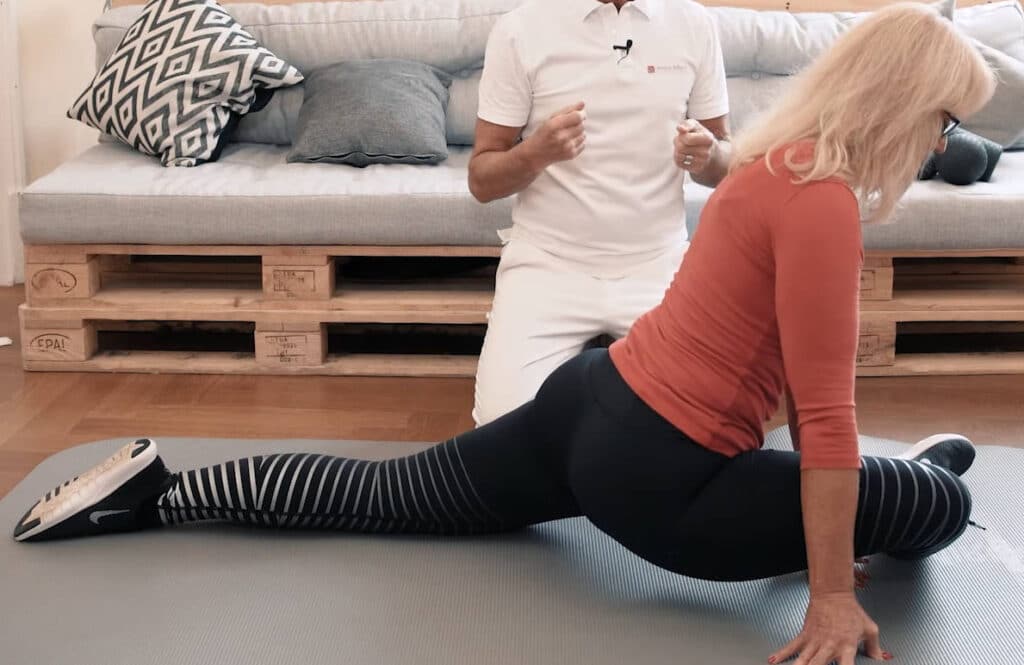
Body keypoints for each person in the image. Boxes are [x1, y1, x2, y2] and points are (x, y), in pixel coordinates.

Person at [13, 6, 995, 665]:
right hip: (660, 481)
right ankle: (911, 486)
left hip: (592, 399)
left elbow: (769, 364)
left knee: (386, 492)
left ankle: (159, 496)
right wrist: (826, 594)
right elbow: (824, 416)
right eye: (944, 120)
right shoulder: (820, 201)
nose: (941, 142)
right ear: (901, 102)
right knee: (934, 507)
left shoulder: (767, 160)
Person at [468, 0, 731, 425]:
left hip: (658, 264)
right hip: (547, 264)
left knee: (714, 425)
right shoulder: (520, 28)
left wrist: (708, 154)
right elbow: (482, 180)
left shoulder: (694, 23)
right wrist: (535, 154)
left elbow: (723, 163)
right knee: (499, 432)